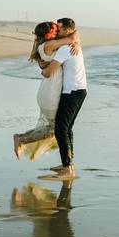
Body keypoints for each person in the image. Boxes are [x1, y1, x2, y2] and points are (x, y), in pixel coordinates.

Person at [13, 21, 79, 161]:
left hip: (47, 90)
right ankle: (21, 139)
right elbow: (73, 37)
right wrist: (76, 42)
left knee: (55, 129)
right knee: (57, 130)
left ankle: (22, 139)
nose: (56, 32)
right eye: (54, 30)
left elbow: (71, 41)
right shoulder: (49, 45)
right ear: (48, 34)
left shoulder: (45, 46)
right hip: (51, 93)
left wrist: (76, 43)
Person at [40, 18, 87, 180]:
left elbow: (49, 72)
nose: (57, 30)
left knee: (61, 129)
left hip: (72, 92)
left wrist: (43, 69)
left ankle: (68, 169)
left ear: (68, 30)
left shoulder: (65, 48)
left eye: (59, 28)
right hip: (80, 90)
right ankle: (68, 164)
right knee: (67, 128)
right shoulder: (71, 45)